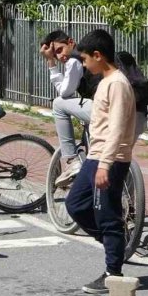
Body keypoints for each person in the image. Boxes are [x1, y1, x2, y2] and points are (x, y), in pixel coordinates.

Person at [64, 29, 138, 294]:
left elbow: (117, 128)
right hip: (96, 156)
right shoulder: (105, 80)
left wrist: (105, 165)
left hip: (110, 159)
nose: (84, 65)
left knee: (107, 215)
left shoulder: (117, 83)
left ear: (98, 55)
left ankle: (113, 273)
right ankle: (115, 242)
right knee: (76, 204)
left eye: (85, 60)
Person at [39, 30, 101, 185]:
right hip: (125, 110)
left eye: (60, 50)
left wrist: (50, 63)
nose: (60, 57)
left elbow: (65, 92)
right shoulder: (88, 54)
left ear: (71, 42)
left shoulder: (74, 60)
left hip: (102, 109)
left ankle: (71, 160)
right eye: (55, 56)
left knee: (58, 104)